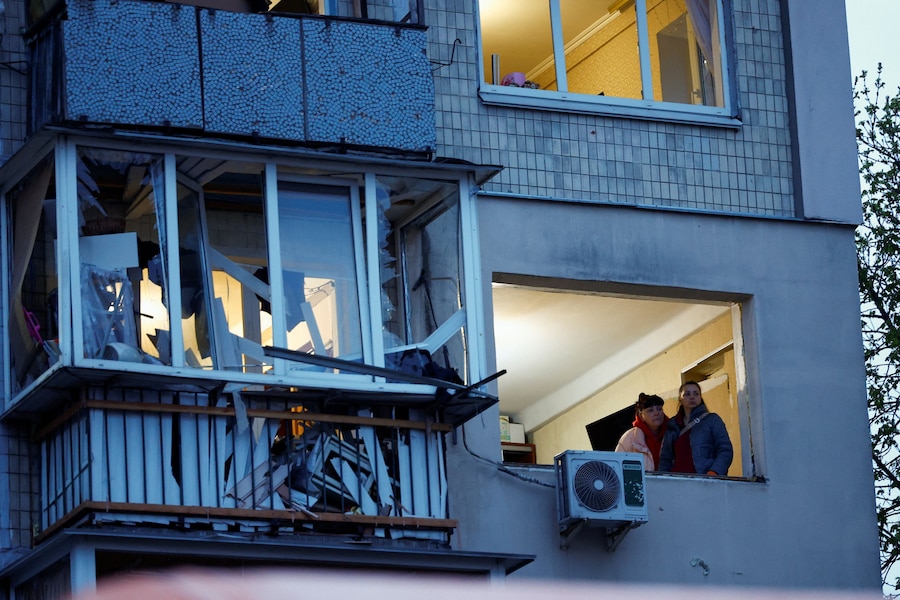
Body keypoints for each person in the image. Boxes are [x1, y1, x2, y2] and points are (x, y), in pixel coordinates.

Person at [659, 380, 733, 476]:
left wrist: (714, 471)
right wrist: (663, 480)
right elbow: (665, 458)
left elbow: (725, 450)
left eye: (696, 394)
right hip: (678, 481)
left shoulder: (712, 420)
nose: (692, 397)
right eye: (687, 394)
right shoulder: (673, 425)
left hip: (704, 478)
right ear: (680, 398)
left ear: (700, 397)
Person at [615, 392, 668, 471]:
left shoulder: (673, 433)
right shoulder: (629, 438)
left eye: (659, 409)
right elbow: (617, 467)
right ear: (641, 416)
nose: (657, 413)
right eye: (650, 410)